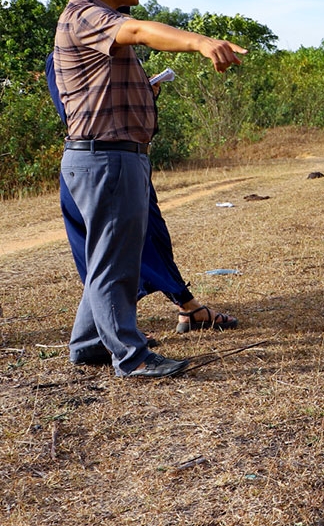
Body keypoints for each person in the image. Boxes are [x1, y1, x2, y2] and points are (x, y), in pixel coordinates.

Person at [53, 0, 245, 377]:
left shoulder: (94, 18)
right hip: (107, 158)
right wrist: (200, 42)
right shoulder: (87, 15)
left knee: (110, 255)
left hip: (107, 156)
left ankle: (90, 344)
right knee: (116, 262)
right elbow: (140, 31)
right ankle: (132, 356)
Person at [45, 52, 239, 338]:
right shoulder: (67, 56)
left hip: (118, 161)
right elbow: (77, 115)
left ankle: (159, 314)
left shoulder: (115, 54)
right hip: (101, 165)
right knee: (120, 245)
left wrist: (144, 95)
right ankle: (117, 335)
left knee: (141, 238)